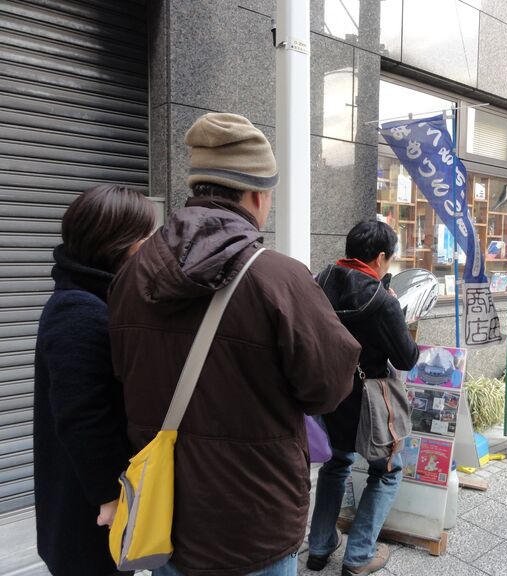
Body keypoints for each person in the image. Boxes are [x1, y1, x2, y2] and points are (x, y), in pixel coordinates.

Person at [108, 112, 360, 576]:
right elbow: (327, 388)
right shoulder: (278, 278)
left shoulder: (131, 275)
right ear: (257, 195)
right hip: (255, 526)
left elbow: (121, 375)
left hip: (165, 521)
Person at [34, 184, 156, 576]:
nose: (151, 248)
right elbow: (81, 416)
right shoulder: (78, 310)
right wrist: (109, 496)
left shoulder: (92, 298)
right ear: (122, 243)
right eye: (146, 238)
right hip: (88, 514)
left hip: (86, 508)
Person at [309, 220, 419, 576]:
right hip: (370, 399)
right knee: (387, 471)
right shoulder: (382, 301)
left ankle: (320, 546)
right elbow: (405, 358)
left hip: (330, 394)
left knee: (336, 464)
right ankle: (358, 557)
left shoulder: (320, 281)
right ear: (381, 257)